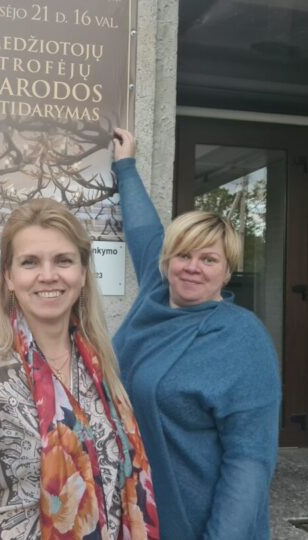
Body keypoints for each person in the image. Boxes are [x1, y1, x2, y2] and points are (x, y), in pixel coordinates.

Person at [0, 198, 160, 540]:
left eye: (63, 260)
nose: (48, 275)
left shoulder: (100, 364)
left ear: (82, 273)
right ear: (9, 277)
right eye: (30, 262)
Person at [111, 128, 281, 540]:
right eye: (183, 255)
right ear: (167, 260)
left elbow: (250, 460)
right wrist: (125, 167)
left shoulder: (242, 339)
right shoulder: (156, 293)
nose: (192, 267)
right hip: (132, 507)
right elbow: (144, 229)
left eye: (209, 259)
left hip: (194, 519)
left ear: (227, 270)